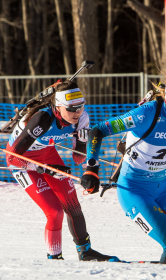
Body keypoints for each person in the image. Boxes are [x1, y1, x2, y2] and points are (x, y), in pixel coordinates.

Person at [81, 73, 166, 264]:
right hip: (134, 190)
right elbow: (98, 130)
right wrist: (92, 168)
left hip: (164, 188)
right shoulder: (146, 114)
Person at [6, 80, 119, 262]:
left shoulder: (82, 118)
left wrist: (82, 144)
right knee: (55, 211)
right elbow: (12, 157)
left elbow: (78, 159)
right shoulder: (42, 119)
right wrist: (43, 169)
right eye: (72, 109)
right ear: (58, 107)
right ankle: (54, 257)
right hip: (23, 161)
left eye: (81, 107)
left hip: (47, 154)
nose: (77, 113)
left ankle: (85, 251)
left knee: (72, 204)